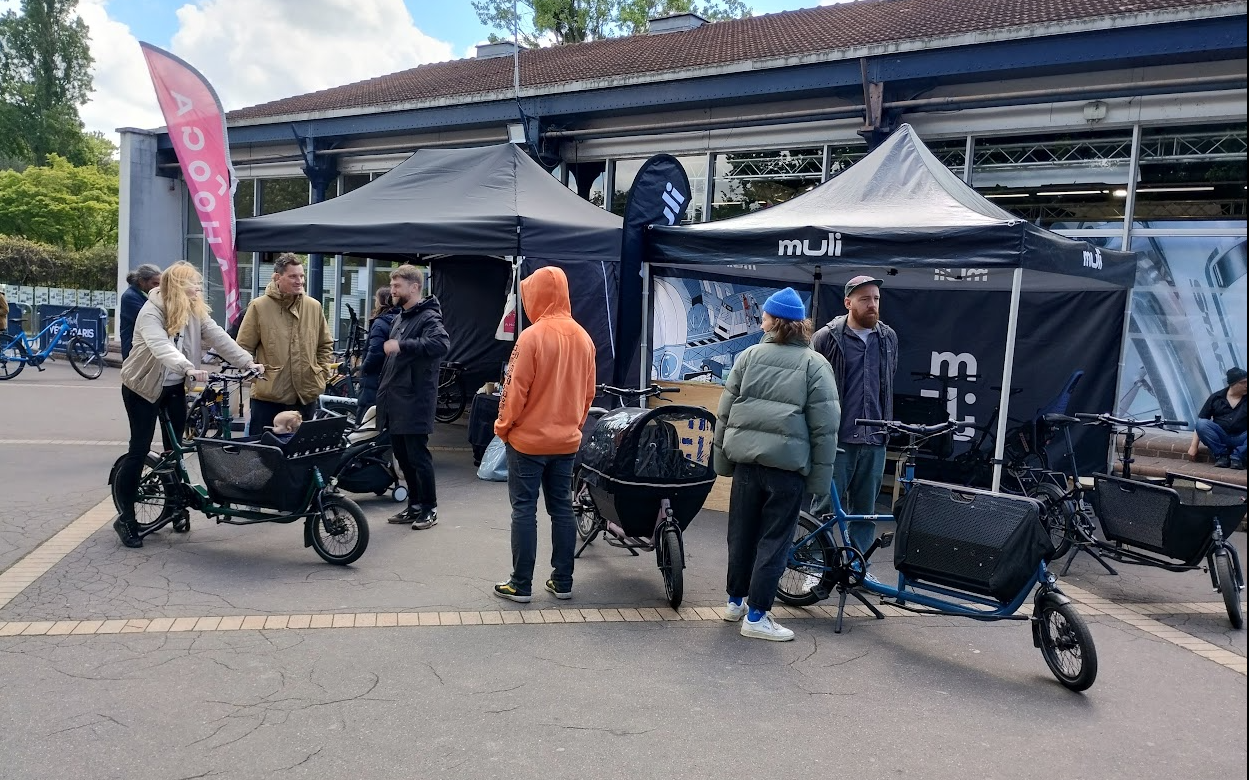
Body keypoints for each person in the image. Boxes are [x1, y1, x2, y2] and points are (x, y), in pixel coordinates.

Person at [713, 287, 839, 641]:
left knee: (741, 534)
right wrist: (818, 480)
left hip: (747, 466)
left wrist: (721, 461)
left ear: (772, 321)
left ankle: (735, 602)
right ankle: (756, 617)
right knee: (774, 541)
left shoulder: (748, 356)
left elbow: (725, 413)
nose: (761, 319)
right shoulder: (815, 364)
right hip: (787, 470)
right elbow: (825, 428)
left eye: (764, 315)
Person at [114, 261, 264, 548]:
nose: (198, 288)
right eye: (192, 284)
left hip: (173, 388)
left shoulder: (194, 310)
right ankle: (127, 518)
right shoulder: (151, 311)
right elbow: (161, 345)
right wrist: (187, 367)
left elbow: (219, 338)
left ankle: (176, 507)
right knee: (139, 449)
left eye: (198, 283)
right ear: (177, 288)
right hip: (142, 388)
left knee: (177, 451)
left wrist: (248, 362)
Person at [492, 266, 596, 603]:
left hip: (527, 442)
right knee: (562, 509)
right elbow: (588, 394)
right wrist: (574, 426)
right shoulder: (584, 338)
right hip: (565, 441)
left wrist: (503, 427)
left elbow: (514, 389)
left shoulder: (532, 337)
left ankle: (521, 584)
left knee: (524, 510)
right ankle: (562, 581)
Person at [810, 275, 899, 554]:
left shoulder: (888, 338)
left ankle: (859, 566)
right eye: (865, 299)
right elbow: (812, 385)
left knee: (865, 511)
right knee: (824, 506)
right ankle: (813, 562)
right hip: (838, 439)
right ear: (848, 302)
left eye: (876, 299)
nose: (872, 305)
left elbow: (887, 381)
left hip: (874, 438)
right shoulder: (826, 337)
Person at [375, 264, 450, 530]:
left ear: (414, 287)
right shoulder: (400, 317)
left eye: (397, 286)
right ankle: (414, 506)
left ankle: (430, 509)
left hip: (415, 401)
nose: (392, 290)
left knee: (418, 457)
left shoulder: (428, 317)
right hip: (395, 401)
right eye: (392, 285)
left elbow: (441, 344)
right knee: (404, 458)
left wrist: (402, 345)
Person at [236, 253, 334, 433]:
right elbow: (243, 347)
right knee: (265, 454)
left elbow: (325, 344)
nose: (300, 281)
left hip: (305, 396)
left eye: (302, 276)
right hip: (269, 399)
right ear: (277, 278)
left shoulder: (314, 306)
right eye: (293, 276)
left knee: (300, 454)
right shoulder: (259, 306)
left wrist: (321, 372)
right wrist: (254, 375)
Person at [1189, 367, 1247, 469]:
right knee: (1202, 424)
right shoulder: (1216, 398)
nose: (1246, 385)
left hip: (1242, 438)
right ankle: (1222, 456)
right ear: (1233, 384)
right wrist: (1194, 446)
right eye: (1243, 383)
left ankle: (1238, 457)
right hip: (1221, 437)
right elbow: (1201, 421)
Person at [357, 287, 398, 422]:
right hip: (391, 378)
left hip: (374, 379)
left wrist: (364, 368)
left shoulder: (380, 323)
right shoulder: (400, 319)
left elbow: (375, 351)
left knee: (367, 419)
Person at [119, 264, 163, 360]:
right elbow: (149, 318)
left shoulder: (148, 295)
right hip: (134, 348)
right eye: (155, 284)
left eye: (160, 284)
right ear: (141, 282)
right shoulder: (130, 297)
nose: (158, 288)